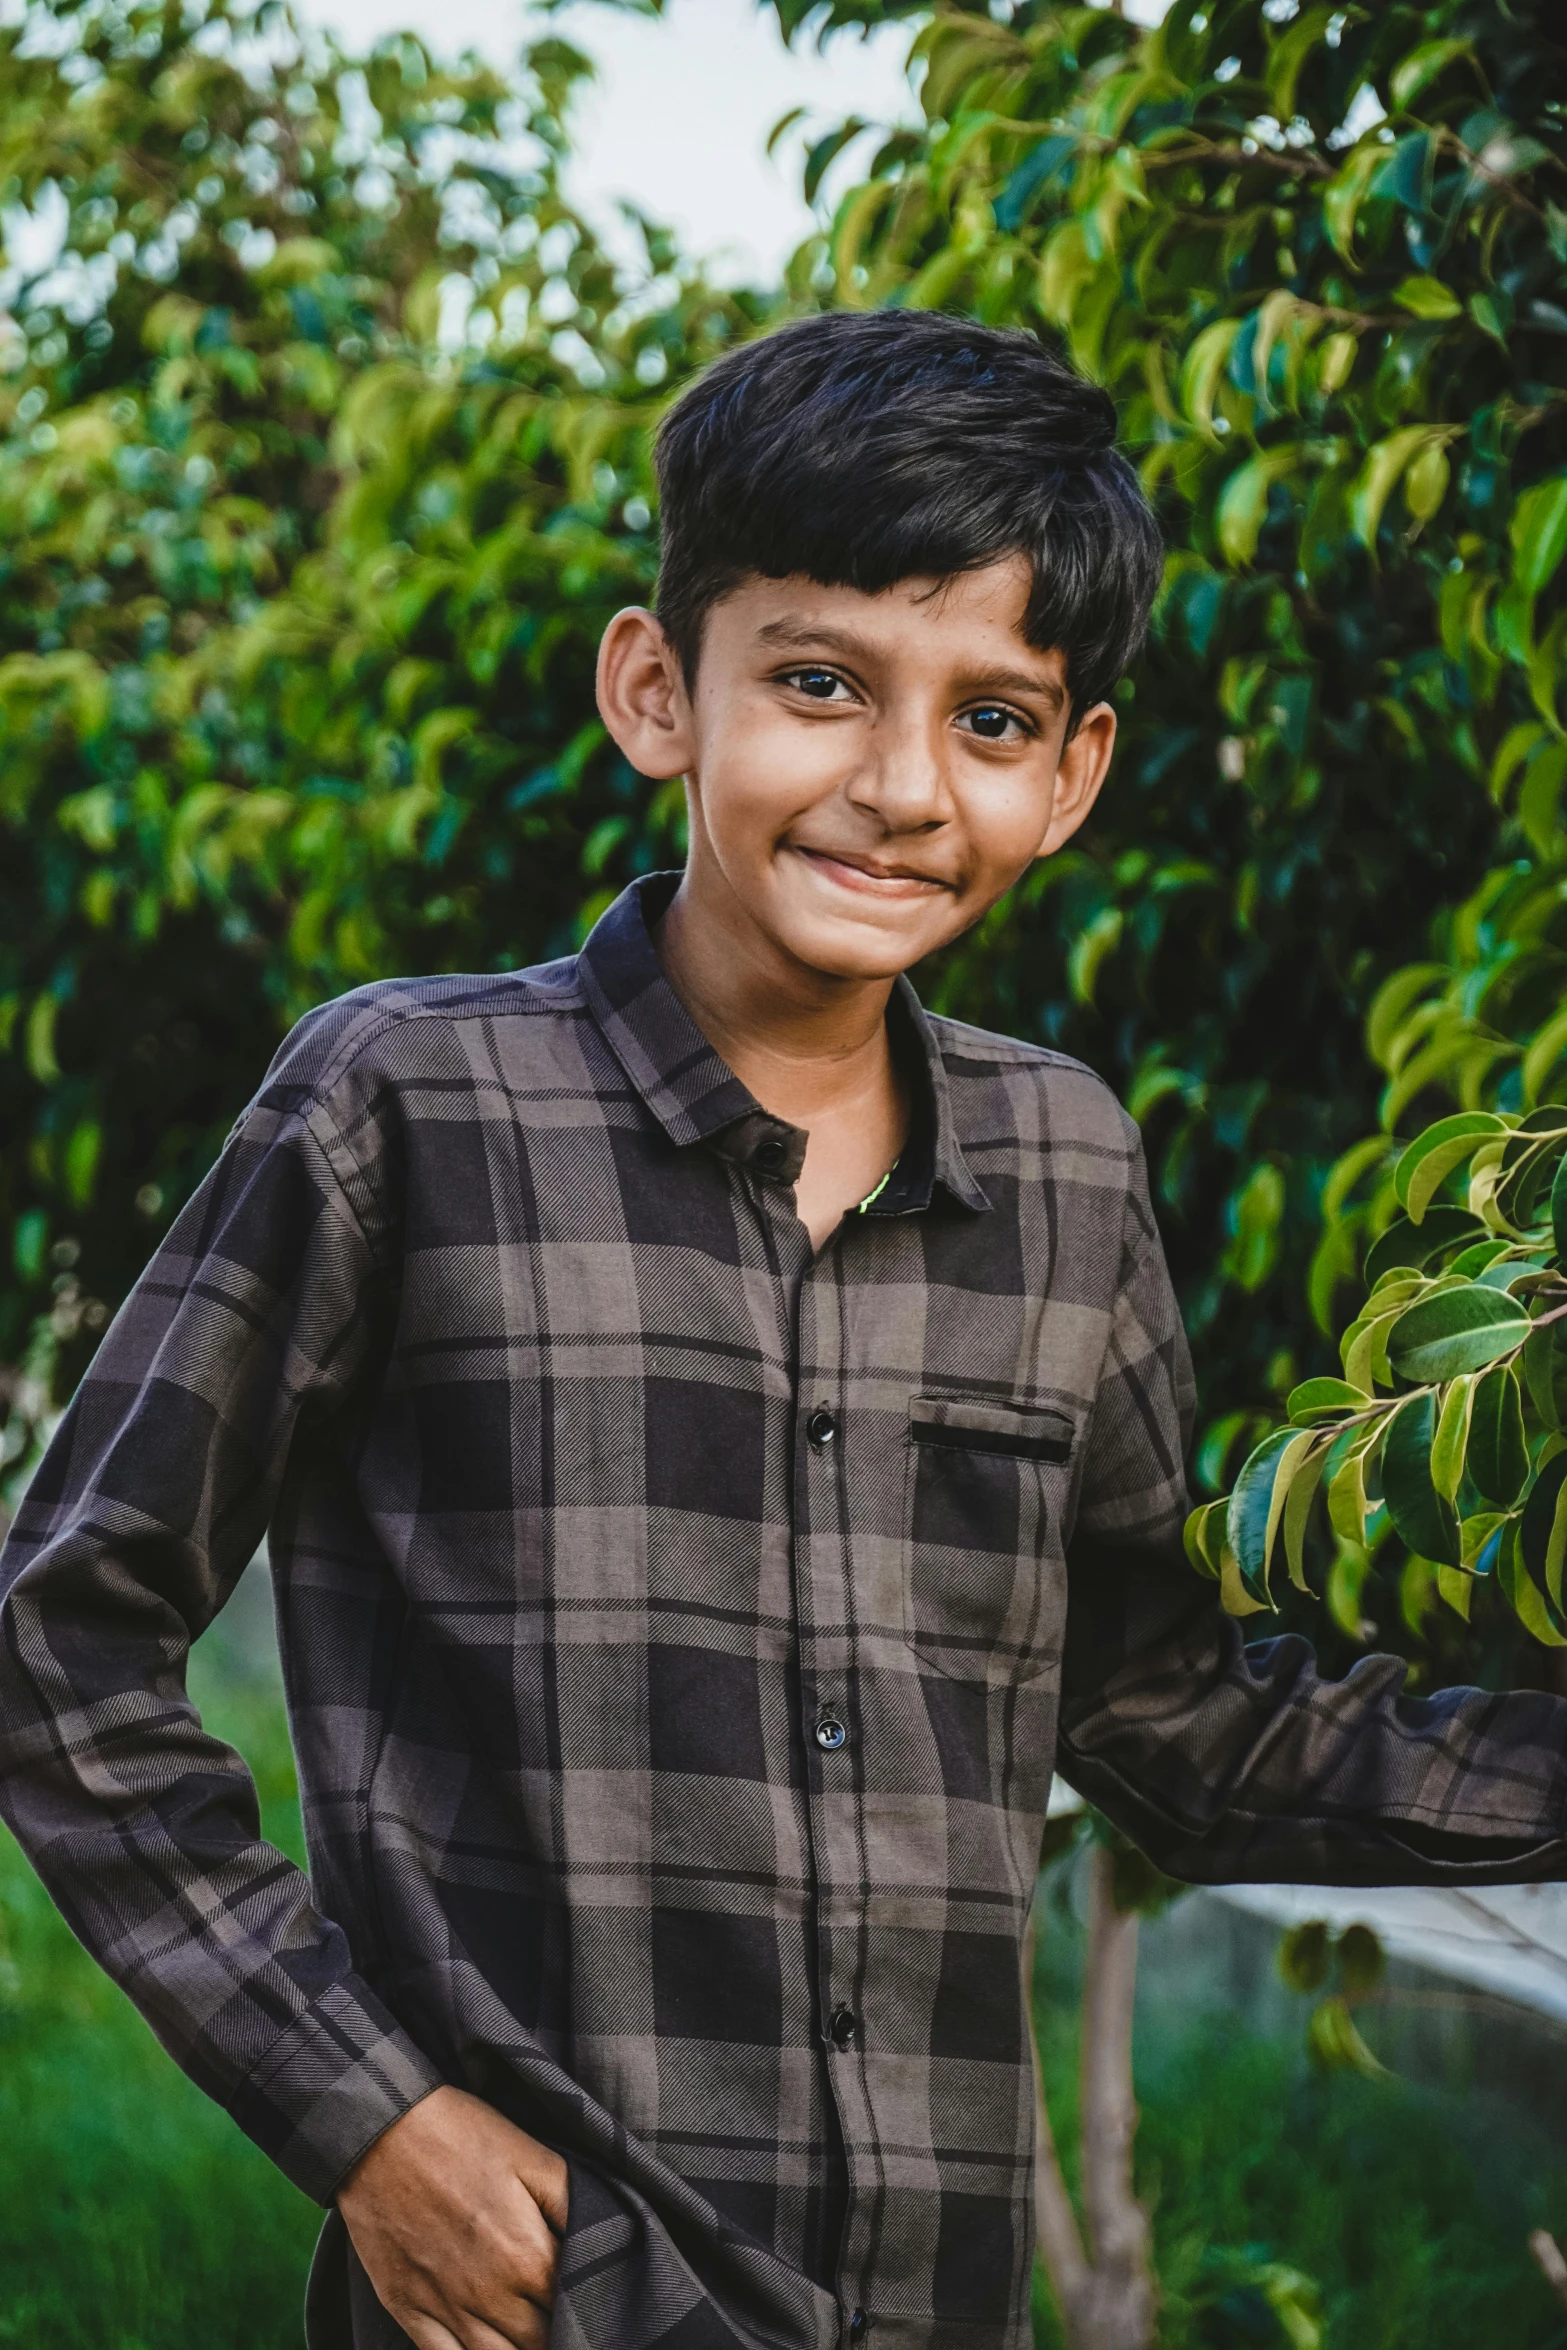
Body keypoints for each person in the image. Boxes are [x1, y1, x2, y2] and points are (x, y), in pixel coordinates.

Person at [2, 310, 1564, 2350]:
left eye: (994, 719)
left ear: (1075, 770)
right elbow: (63, 1634)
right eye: (821, 683)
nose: (904, 787)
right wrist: (372, 2119)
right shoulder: (400, 1107)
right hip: (542, 2308)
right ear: (660, 689)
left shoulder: (1068, 1168)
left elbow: (1168, 1715)